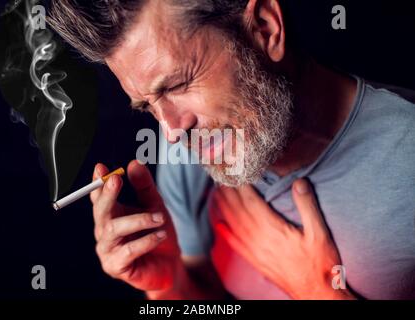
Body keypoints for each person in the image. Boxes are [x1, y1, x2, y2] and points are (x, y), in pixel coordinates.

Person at [48, 0, 415, 299]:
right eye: (148, 106)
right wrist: (170, 285)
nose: (172, 132)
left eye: (176, 85)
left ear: (265, 28)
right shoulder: (189, 153)